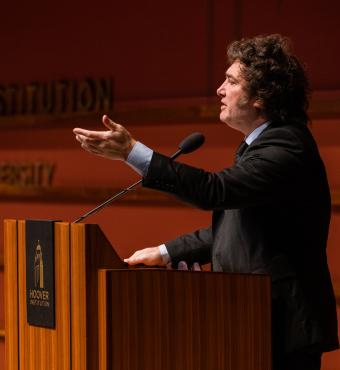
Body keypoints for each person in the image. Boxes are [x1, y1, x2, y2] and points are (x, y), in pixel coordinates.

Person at [73, 34, 339, 370]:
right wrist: (165, 252)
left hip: (281, 326)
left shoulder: (287, 147)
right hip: (254, 321)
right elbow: (238, 227)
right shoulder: (261, 146)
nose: (219, 90)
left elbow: (214, 191)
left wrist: (132, 152)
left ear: (261, 96)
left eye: (230, 80)